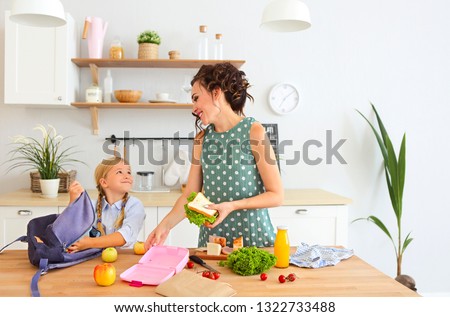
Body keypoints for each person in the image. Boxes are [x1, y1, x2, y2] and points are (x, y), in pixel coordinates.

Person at [145, 62, 283, 250]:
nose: (193, 108)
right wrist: (164, 226)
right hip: (213, 243)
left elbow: (276, 195)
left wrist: (232, 206)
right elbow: (190, 196)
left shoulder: (254, 131)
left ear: (216, 93)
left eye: (196, 98)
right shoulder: (202, 140)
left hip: (253, 239)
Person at [67, 156, 145, 252]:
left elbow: (124, 236)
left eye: (128, 172)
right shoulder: (91, 206)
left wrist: (90, 243)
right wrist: (73, 202)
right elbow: (71, 228)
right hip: (95, 260)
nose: (127, 176)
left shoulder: (135, 205)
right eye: (119, 172)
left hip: (125, 258)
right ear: (104, 182)